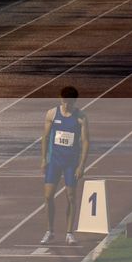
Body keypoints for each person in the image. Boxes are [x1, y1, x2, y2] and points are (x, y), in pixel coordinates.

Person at [40, 85, 90, 246]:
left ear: (74, 101)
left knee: (71, 197)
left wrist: (81, 165)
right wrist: (43, 159)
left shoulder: (80, 117)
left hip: (71, 163)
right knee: (48, 197)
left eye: (69, 102)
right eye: (64, 101)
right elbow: (45, 138)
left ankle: (69, 233)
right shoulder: (52, 114)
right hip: (54, 161)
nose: (66, 105)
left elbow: (85, 142)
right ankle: (50, 231)